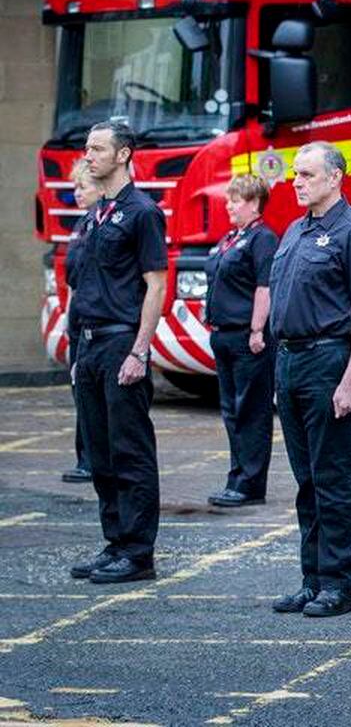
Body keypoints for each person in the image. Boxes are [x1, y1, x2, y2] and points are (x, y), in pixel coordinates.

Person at [269, 141, 351, 618]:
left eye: (307, 175)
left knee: (335, 478)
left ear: (335, 177)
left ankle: (339, 584)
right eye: (296, 175)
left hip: (328, 361)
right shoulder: (296, 230)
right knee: (307, 480)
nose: (297, 182)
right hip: (291, 361)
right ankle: (312, 577)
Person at [67, 121, 167, 584]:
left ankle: (138, 553)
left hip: (120, 343)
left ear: (123, 155)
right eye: (88, 148)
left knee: (130, 452)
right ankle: (115, 543)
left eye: (98, 148)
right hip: (88, 346)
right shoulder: (95, 215)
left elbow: (156, 285)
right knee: (101, 453)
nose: (89, 155)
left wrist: (139, 351)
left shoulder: (142, 212)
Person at [205, 175, 279, 508]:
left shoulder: (262, 239)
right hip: (224, 335)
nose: (229, 206)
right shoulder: (232, 238)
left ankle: (250, 483)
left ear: (253, 202)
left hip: (247, 337)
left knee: (250, 410)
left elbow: (264, 288)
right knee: (231, 411)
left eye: (235, 200)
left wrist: (256, 330)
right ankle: (237, 477)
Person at [62, 158, 102, 484]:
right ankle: (84, 456)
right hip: (77, 319)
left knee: (90, 394)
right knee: (79, 391)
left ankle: (93, 458)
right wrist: (66, 315)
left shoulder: (98, 227)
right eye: (75, 187)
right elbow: (74, 281)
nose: (77, 193)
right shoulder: (81, 226)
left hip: (97, 321)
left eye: (83, 187)